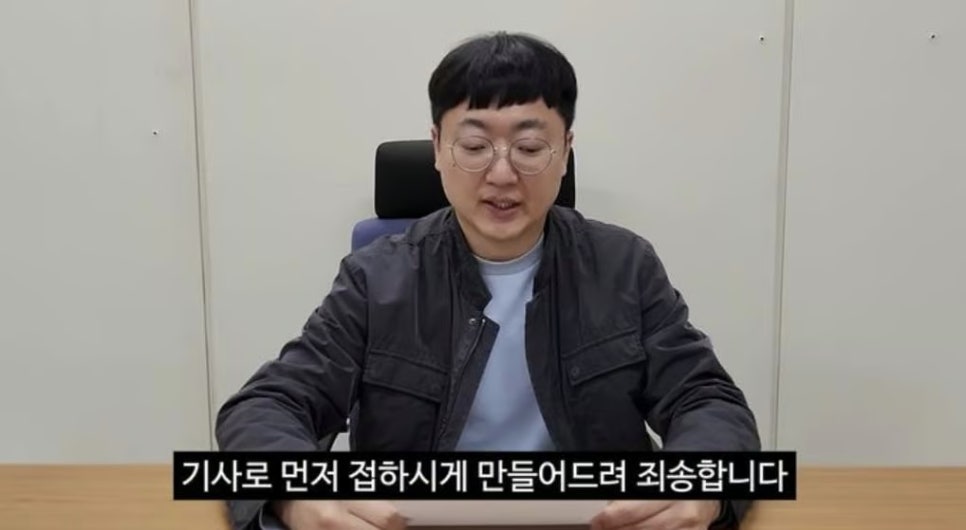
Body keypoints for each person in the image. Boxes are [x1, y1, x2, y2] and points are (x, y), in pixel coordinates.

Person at [216, 31, 761, 530]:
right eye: (475, 147)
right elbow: (268, 406)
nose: (502, 174)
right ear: (437, 148)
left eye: (530, 149)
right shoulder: (376, 279)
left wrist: (703, 489)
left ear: (565, 152)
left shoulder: (624, 266)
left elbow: (706, 400)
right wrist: (295, 496)